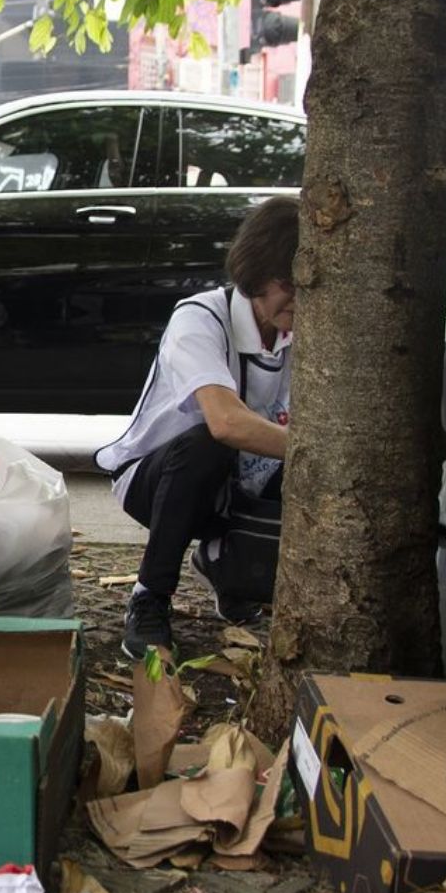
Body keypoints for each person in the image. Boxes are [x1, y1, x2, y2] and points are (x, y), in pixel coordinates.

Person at [94, 196, 298, 659]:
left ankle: (228, 566)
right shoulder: (200, 318)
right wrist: (315, 450)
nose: (299, 298)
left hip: (239, 487)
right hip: (158, 481)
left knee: (298, 463)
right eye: (287, 283)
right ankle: (149, 597)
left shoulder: (300, 331)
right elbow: (225, 423)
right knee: (210, 442)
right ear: (256, 270)